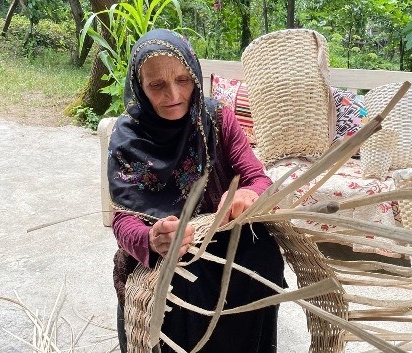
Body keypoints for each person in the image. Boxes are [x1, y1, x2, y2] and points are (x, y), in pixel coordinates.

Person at [107, 28, 285, 353]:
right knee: (182, 286)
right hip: (168, 249)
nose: (173, 94)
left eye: (183, 79)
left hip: (221, 234)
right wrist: (150, 238)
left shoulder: (217, 119)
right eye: (156, 85)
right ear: (139, 86)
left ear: (194, 73)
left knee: (264, 257)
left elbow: (258, 178)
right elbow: (123, 220)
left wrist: (249, 195)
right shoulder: (129, 136)